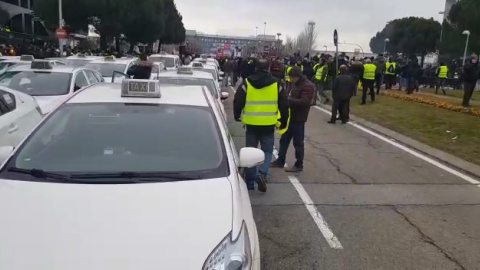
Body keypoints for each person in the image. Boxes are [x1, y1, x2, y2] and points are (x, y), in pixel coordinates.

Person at [233, 59, 289, 192]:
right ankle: (262, 174)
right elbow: (284, 105)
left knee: (250, 153)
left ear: (255, 68)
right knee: (267, 151)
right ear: (268, 68)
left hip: (251, 124)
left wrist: (237, 115)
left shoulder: (247, 83)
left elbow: (238, 100)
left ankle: (250, 184)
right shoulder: (277, 84)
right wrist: (284, 121)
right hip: (268, 124)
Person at [271, 67, 315, 172]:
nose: (290, 80)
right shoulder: (295, 84)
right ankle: (280, 160)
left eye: (292, 78)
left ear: (297, 76)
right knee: (284, 140)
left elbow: (305, 102)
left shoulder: (307, 86)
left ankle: (299, 164)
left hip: (299, 118)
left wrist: (287, 100)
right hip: (290, 117)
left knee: (298, 143)